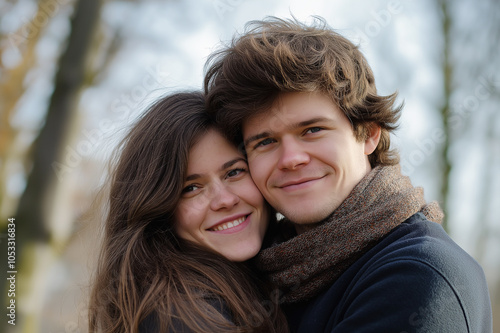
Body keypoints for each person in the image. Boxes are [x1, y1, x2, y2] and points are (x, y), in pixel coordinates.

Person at [204, 17, 493, 332]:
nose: (290, 159)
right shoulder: (267, 272)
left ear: (368, 134)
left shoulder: (417, 275)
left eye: (312, 130)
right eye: (265, 142)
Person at [88, 91, 288, 332]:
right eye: (191, 188)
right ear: (160, 210)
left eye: (234, 172)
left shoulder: (276, 274)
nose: (224, 200)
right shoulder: (179, 318)